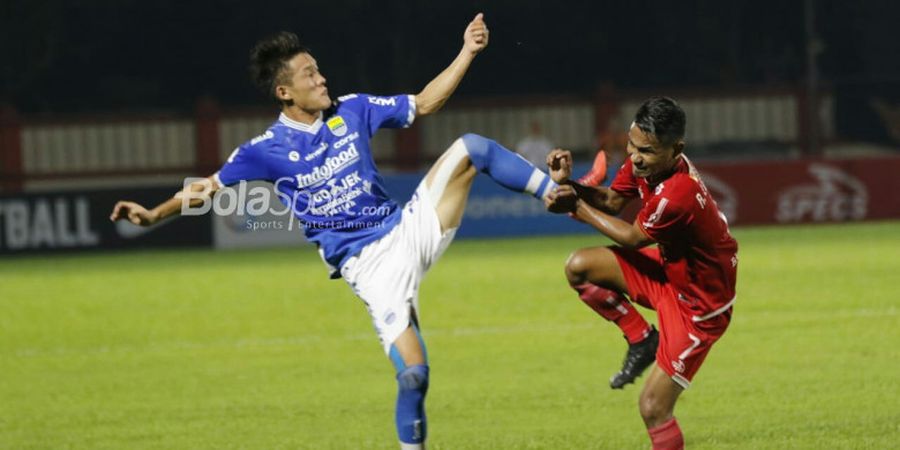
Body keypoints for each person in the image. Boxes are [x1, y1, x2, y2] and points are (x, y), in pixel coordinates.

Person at [110, 14, 559, 450]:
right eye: (309, 74)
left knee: (472, 147)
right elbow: (207, 188)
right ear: (284, 91)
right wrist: (153, 215)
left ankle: (557, 194)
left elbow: (423, 103)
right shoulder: (265, 150)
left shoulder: (353, 108)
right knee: (414, 376)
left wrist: (467, 51)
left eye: (318, 69)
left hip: (406, 227)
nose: (321, 78)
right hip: (369, 267)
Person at [544, 97, 738, 450]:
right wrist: (574, 185)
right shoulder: (647, 163)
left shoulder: (678, 194)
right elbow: (612, 201)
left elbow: (632, 238)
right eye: (631, 145)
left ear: (676, 149)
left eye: (645, 151)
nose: (634, 157)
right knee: (579, 267)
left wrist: (575, 206)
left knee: (653, 408)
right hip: (668, 275)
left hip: (699, 308)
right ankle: (640, 338)